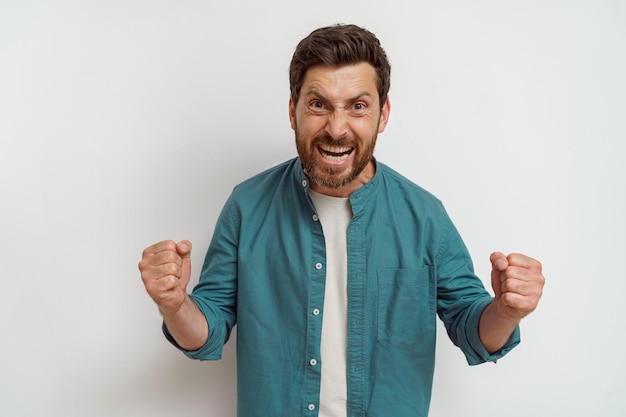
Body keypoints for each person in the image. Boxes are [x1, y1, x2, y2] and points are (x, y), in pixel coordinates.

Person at [138, 24, 545, 417]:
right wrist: (175, 305)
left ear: (382, 115)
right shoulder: (247, 206)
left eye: (357, 106)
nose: (336, 128)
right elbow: (207, 331)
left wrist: (506, 312)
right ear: (293, 111)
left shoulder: (426, 216)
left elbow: (472, 329)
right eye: (318, 105)